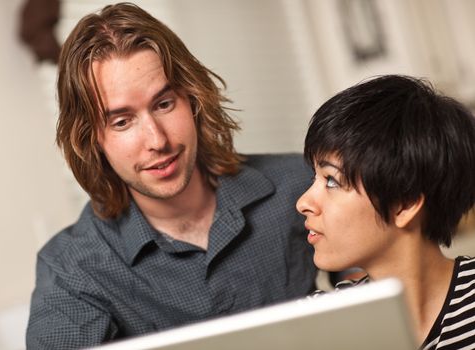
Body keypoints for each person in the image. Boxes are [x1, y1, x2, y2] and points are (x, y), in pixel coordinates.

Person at [26, 2, 317, 349]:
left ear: (193, 99)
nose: (157, 140)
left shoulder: (301, 185)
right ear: (91, 139)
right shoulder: (72, 268)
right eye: (122, 121)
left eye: (164, 104)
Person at [296, 75, 475, 349]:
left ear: (404, 204)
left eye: (332, 180)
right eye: (314, 178)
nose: (303, 202)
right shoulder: (316, 325)